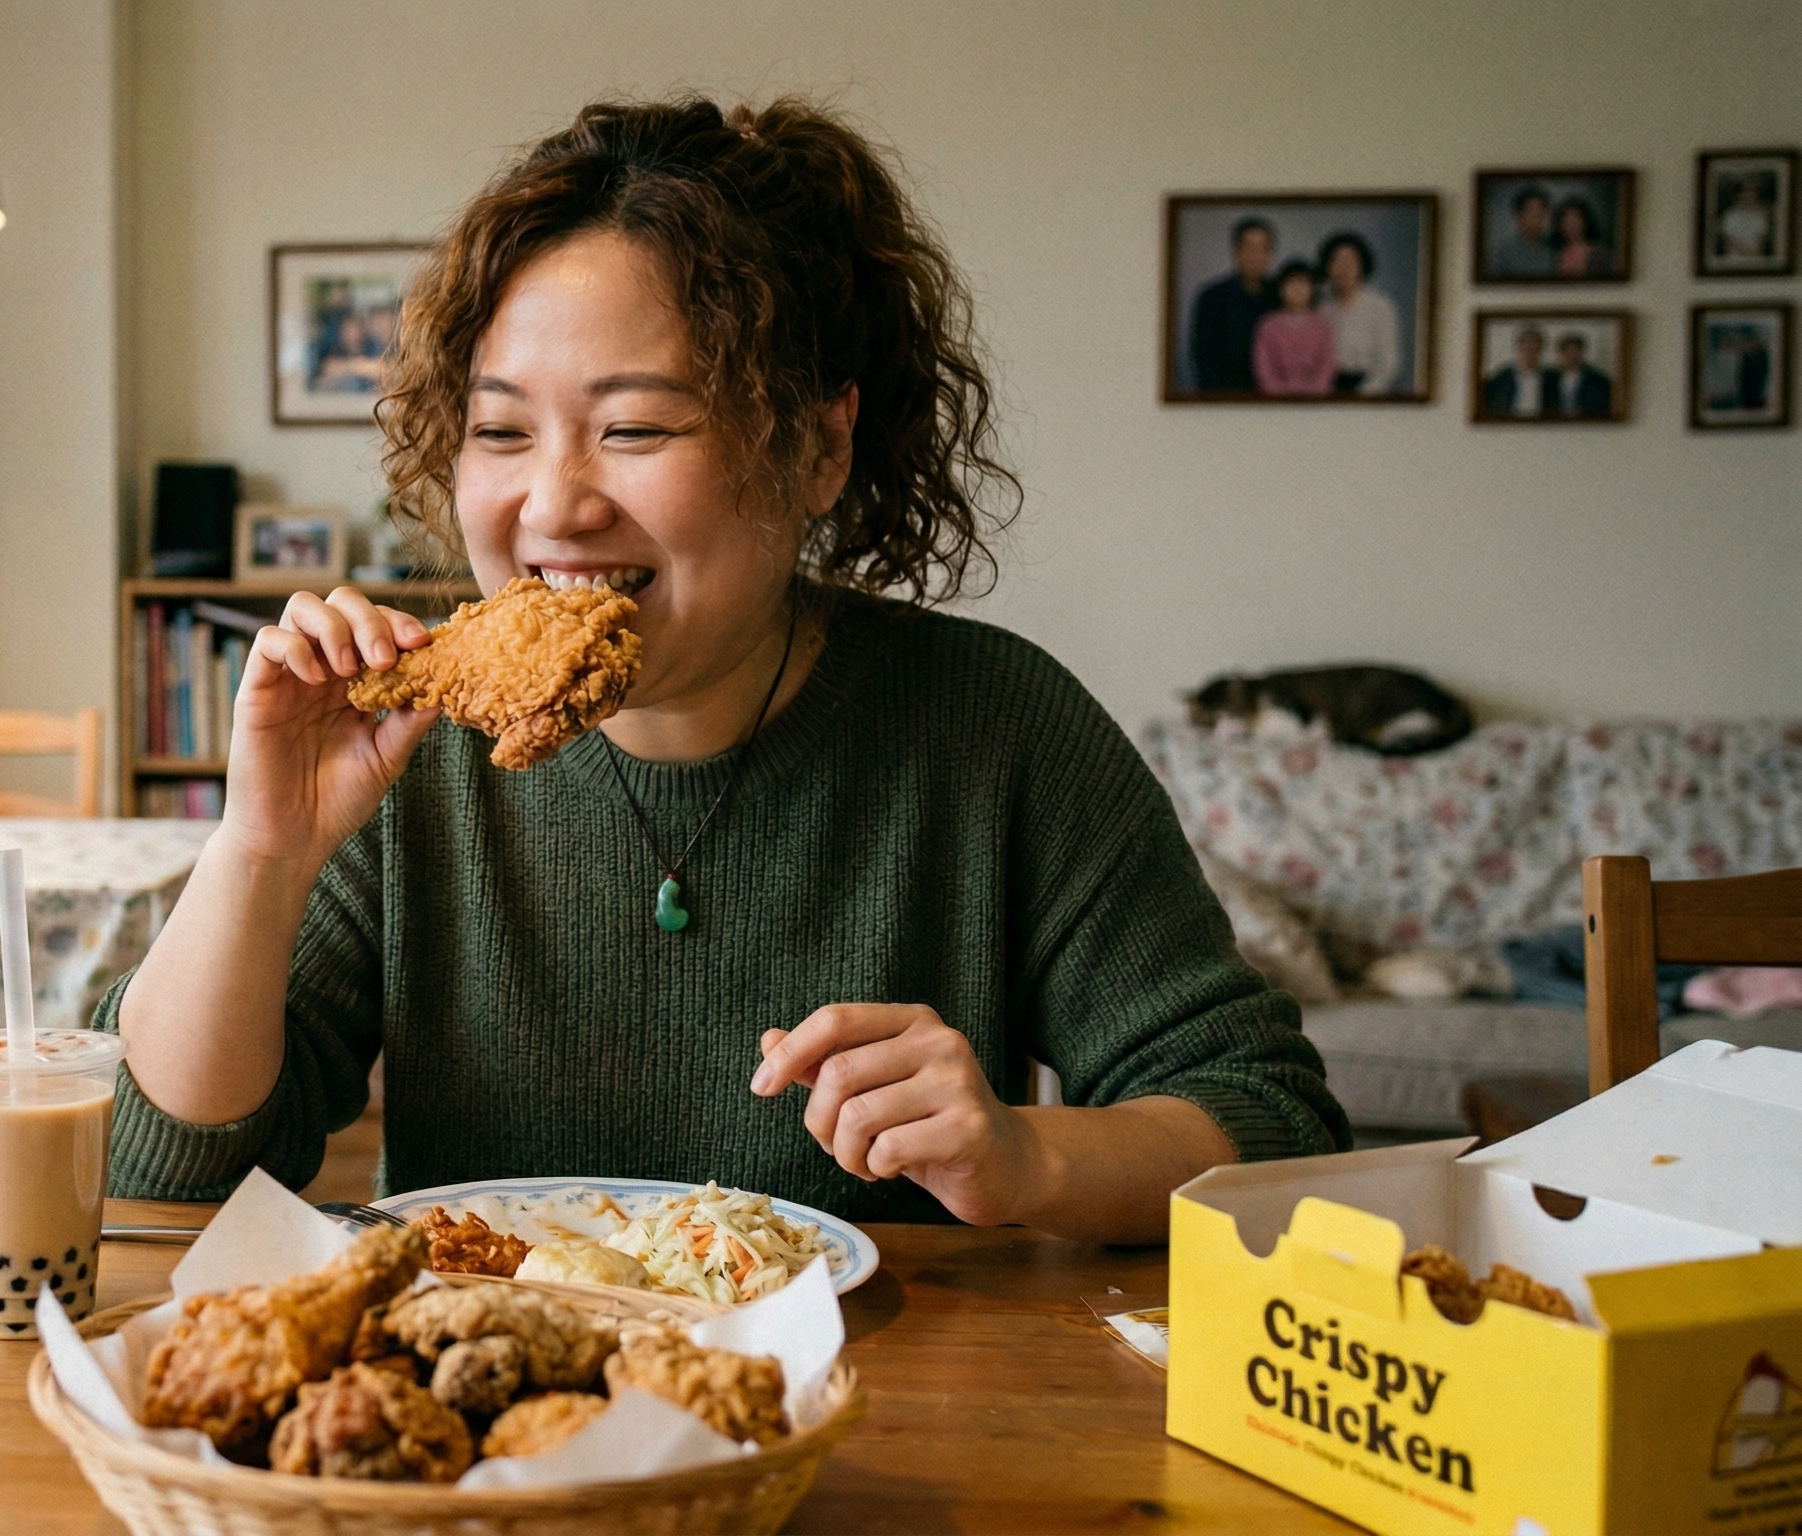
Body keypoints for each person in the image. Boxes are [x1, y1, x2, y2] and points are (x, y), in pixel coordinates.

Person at [104, 97, 1346, 1244]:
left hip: (873, 1392)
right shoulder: (407, 746)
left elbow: (1272, 1130)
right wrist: (260, 851)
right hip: (490, 1393)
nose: (553, 504)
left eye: (635, 427)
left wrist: (1027, 1158)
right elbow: (155, 1176)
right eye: (498, 430)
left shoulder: (993, 726)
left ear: (816, 447)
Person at [1187, 216, 1276, 392]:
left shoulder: (1280, 296)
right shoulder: (1212, 298)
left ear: (1270, 254)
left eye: (1263, 249)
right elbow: (1204, 360)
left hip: (1273, 397)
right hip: (1225, 395)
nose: (1256, 256)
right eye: (1250, 248)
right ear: (1236, 253)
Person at [1315, 233, 1399, 396]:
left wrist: (1363, 394)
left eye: (1350, 261)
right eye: (1336, 261)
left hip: (1369, 388)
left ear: (1362, 265)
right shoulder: (1320, 305)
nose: (1343, 268)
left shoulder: (1380, 306)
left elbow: (1388, 361)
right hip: (1326, 389)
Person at [1252, 261, 1336, 396]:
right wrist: (1280, 393)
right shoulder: (1268, 325)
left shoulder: (1321, 325)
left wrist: (1313, 393)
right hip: (1275, 401)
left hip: (1315, 400)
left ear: (1312, 288)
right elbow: (1263, 367)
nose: (1297, 289)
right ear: (1281, 289)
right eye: (1291, 284)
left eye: (1303, 284)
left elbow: (1327, 365)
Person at [1482, 323, 1556, 418]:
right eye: (1526, 349)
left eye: (1534, 349)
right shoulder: (1500, 380)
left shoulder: (1552, 381)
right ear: (1518, 349)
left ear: (1541, 350)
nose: (1529, 354)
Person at [1490, 186, 1554, 277]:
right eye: (1533, 214)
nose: (1537, 220)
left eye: (1542, 214)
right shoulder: (1505, 253)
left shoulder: (1554, 248)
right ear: (1519, 218)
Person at [1719, 175, 1779, 262]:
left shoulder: (1761, 216)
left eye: (1753, 192)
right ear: (1741, 194)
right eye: (1747, 192)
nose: (1750, 195)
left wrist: (1752, 255)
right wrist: (1743, 253)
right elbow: (1728, 239)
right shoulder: (1730, 215)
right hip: (1733, 259)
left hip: (1756, 259)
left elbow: (1762, 240)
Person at [1553, 332, 1613, 417]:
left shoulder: (1597, 380)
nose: (1572, 356)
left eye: (1576, 351)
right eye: (1568, 352)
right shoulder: (1551, 380)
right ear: (1560, 354)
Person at [1551, 197, 1608, 277]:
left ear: (1585, 222)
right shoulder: (1556, 254)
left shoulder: (1595, 254)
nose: (1571, 225)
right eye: (1567, 221)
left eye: (1575, 220)